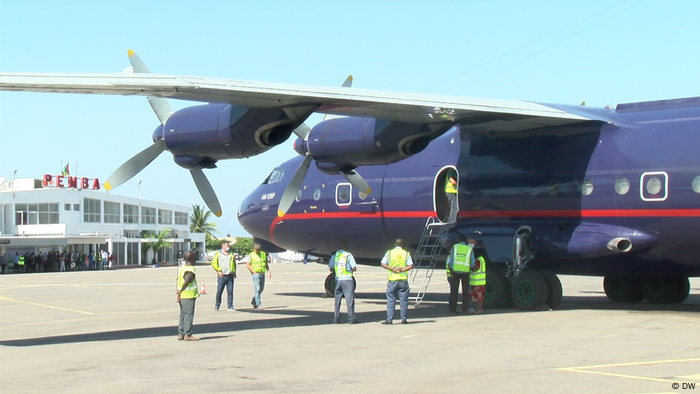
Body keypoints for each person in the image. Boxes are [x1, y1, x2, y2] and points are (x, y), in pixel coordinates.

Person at [380, 239, 413, 324]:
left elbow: (383, 263)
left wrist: (392, 268)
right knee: (404, 300)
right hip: (402, 279)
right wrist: (401, 270)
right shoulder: (406, 253)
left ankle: (389, 319)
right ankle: (403, 319)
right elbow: (410, 265)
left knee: (391, 299)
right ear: (402, 245)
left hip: (392, 279)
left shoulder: (389, 253)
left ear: (395, 244)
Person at [329, 241, 357, 324]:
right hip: (347, 279)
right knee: (349, 300)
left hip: (338, 280)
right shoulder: (348, 255)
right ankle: (351, 319)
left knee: (337, 301)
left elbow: (331, 268)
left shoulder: (335, 255)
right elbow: (354, 268)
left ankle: (336, 319)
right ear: (346, 247)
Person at [447, 235, 475, 315]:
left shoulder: (455, 247)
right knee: (465, 291)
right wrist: (469, 267)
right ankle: (465, 309)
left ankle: (452, 310)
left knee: (454, 291)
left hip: (456, 271)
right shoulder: (469, 249)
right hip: (465, 271)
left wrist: (452, 268)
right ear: (465, 240)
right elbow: (472, 262)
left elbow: (451, 260)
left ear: (459, 240)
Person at [176, 251, 199, 341]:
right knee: (188, 315)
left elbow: (178, 281)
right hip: (188, 295)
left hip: (182, 295)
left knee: (183, 314)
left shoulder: (181, 268)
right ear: (193, 258)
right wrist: (181, 290)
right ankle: (188, 334)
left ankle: (181, 333)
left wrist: (178, 293)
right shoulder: (190, 269)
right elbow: (187, 280)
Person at [243, 242, 271, 310]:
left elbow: (265, 263)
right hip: (256, 274)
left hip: (262, 273)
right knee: (257, 289)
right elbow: (247, 265)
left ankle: (254, 300)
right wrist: (254, 272)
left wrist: (268, 271)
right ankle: (258, 304)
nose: (258, 251)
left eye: (259, 249)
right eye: (256, 250)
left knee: (261, 289)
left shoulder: (263, 254)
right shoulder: (251, 255)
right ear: (254, 249)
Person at [211, 241, 237, 311]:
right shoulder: (218, 253)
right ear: (223, 246)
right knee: (219, 290)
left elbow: (234, 263)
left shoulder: (231, 253)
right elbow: (213, 263)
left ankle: (230, 306)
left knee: (230, 291)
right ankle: (217, 305)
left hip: (230, 275)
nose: (228, 247)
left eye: (228, 246)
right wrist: (218, 271)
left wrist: (234, 272)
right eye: (227, 245)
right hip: (222, 275)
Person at [467, 248, 487, 314]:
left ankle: (479, 309)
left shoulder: (478, 260)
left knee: (478, 297)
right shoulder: (482, 259)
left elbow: (475, 268)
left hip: (477, 282)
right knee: (478, 297)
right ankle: (479, 309)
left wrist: (469, 268)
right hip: (479, 282)